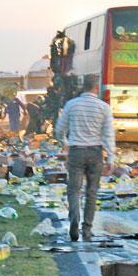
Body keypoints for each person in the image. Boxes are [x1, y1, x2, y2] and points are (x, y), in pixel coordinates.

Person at [55, 74, 115, 242]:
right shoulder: (104, 108)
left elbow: (59, 129)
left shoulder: (71, 105)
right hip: (95, 153)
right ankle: (87, 228)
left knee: (74, 189)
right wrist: (110, 158)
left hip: (76, 152)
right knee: (92, 192)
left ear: (83, 87)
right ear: (96, 88)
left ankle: (74, 219)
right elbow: (108, 135)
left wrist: (64, 142)